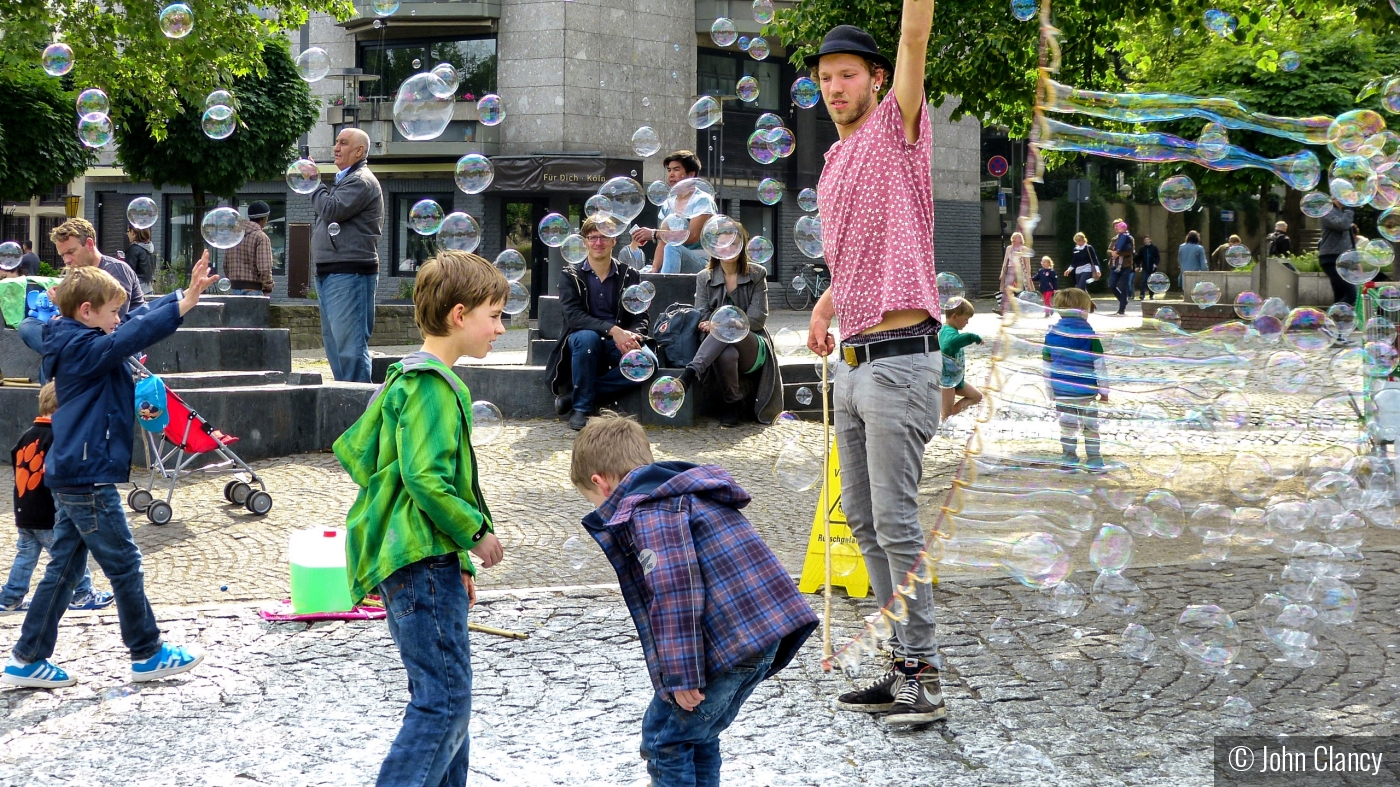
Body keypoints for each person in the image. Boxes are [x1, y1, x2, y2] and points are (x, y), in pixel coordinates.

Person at [805, 4, 947, 726]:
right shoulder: (834, 162)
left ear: (878, 80)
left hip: (900, 363)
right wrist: (827, 306)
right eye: (826, 78)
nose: (834, 87)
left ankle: (924, 673)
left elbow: (916, 32)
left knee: (895, 520)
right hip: (855, 366)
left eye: (847, 75)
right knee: (863, 521)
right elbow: (858, 254)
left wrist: (911, 20)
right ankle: (899, 668)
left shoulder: (898, 129)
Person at [2, 256, 220, 689]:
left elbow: (134, 320)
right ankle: (147, 652)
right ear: (87, 312)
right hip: (87, 476)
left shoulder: (73, 336)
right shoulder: (83, 348)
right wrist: (186, 303)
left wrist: (177, 297)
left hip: (73, 472)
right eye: (112, 311)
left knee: (63, 569)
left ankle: (28, 658)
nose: (119, 318)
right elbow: (132, 334)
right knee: (124, 564)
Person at [332, 250, 506, 787]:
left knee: (450, 701)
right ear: (460, 314)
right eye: (495, 315)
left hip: (426, 560)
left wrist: (461, 564)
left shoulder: (408, 376)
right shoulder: (431, 385)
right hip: (419, 562)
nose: (501, 328)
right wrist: (474, 534)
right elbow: (427, 481)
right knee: (443, 703)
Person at [570, 413, 817, 787]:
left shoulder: (652, 512)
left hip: (731, 644)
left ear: (600, 483)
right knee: (698, 736)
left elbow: (675, 591)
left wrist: (682, 675)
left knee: (664, 740)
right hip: (760, 638)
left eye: (592, 500)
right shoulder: (680, 495)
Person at [2, 383, 114, 613]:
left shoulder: (26, 436)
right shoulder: (59, 439)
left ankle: (10, 597)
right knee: (71, 553)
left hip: (25, 510)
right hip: (49, 514)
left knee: (25, 556)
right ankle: (82, 593)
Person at [545, 217, 651, 431]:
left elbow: (641, 316)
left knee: (648, 363)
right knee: (587, 338)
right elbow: (574, 317)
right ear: (584, 242)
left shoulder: (630, 275)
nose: (598, 242)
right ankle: (582, 409)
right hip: (583, 341)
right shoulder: (570, 276)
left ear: (614, 241)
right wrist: (614, 330)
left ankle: (576, 396)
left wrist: (633, 335)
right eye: (592, 237)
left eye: (604, 237)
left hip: (617, 343)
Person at [17, 218, 146, 384]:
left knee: (54, 350)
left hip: (118, 344)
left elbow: (107, 323)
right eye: (63, 255)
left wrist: (64, 305)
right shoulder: (77, 274)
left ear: (90, 244)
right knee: (28, 325)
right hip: (85, 342)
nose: (66, 260)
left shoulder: (115, 270)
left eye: (71, 252)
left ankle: (55, 404)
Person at [676, 231, 783, 427]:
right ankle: (733, 404)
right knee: (726, 353)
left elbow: (757, 319)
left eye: (734, 244)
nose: (729, 249)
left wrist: (723, 323)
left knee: (728, 328)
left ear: (742, 246)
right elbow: (702, 313)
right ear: (714, 249)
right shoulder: (704, 277)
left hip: (752, 345)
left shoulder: (757, 274)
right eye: (723, 244)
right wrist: (711, 323)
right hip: (718, 347)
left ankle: (691, 372)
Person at [312, 127, 384, 383]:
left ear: (359, 151)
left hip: (350, 273)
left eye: (343, 143)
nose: (336, 147)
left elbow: (331, 210)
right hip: (331, 272)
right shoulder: (344, 180)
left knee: (350, 349)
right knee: (335, 347)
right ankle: (344, 403)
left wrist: (313, 183)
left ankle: (358, 410)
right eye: (336, 142)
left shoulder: (361, 180)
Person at [1043, 288, 1108, 472]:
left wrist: (1050, 391)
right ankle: (1094, 461)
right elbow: (1100, 365)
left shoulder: (1051, 336)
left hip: (1062, 391)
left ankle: (1069, 461)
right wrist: (1104, 391)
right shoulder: (1090, 336)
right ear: (1082, 311)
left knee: (1067, 426)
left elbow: (1046, 366)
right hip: (1086, 392)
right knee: (1091, 427)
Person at [627, 150, 712, 274]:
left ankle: (666, 287)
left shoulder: (702, 200)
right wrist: (654, 268)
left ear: (691, 174)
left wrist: (654, 234)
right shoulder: (668, 204)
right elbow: (663, 241)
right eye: (669, 170)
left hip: (702, 262)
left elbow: (693, 236)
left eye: (676, 169)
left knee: (672, 247)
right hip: (672, 257)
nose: (671, 174)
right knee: (642, 272)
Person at [938, 298, 983, 419]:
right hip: (947, 381)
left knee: (977, 397)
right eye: (965, 319)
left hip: (956, 378)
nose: (967, 323)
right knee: (945, 415)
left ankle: (950, 414)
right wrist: (972, 337)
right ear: (954, 316)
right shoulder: (947, 331)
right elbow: (950, 343)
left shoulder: (951, 330)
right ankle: (946, 419)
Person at [225, 201, 275, 296]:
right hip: (254, 289)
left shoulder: (234, 236)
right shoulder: (261, 237)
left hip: (234, 288)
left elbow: (225, 265)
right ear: (264, 218)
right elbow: (265, 267)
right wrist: (267, 287)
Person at [1319, 200, 1357, 306]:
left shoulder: (1341, 212)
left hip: (1344, 259)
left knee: (1340, 295)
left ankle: (1336, 321)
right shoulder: (1327, 211)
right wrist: (1350, 210)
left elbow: (1350, 238)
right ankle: (1329, 317)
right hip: (1331, 259)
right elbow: (1342, 225)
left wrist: (1355, 257)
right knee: (1351, 294)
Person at [997, 232, 1029, 316]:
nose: (1015, 239)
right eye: (1014, 237)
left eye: (1017, 238)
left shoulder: (1024, 249)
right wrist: (1002, 273)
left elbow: (1027, 263)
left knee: (1021, 290)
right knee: (1007, 289)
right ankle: (1002, 310)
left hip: (1020, 270)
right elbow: (1005, 261)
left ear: (1020, 239)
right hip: (1011, 269)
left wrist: (1028, 275)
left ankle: (1023, 309)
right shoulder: (1009, 248)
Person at [1107, 220, 1135, 315]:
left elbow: (1130, 251)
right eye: (1114, 226)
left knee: (1124, 287)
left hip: (1125, 265)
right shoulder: (1114, 239)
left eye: (1117, 226)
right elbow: (1109, 250)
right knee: (1111, 285)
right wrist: (1112, 253)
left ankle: (1121, 309)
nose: (1115, 228)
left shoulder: (1129, 238)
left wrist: (1118, 253)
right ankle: (1123, 300)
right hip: (1115, 265)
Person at [125, 226, 155, 293]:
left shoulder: (134, 249)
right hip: (149, 288)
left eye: (128, 232)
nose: (127, 235)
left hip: (137, 289)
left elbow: (128, 271)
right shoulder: (149, 248)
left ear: (132, 232)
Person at [1136, 236, 1160, 300]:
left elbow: (1157, 257)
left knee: (1152, 281)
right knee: (1143, 281)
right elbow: (1139, 258)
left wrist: (1156, 264)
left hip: (1152, 268)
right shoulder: (1142, 249)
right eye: (1145, 240)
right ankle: (1142, 294)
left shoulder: (1154, 248)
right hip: (1145, 267)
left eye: (1147, 240)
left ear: (1150, 240)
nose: (1146, 241)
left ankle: (1151, 295)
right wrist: (1139, 265)